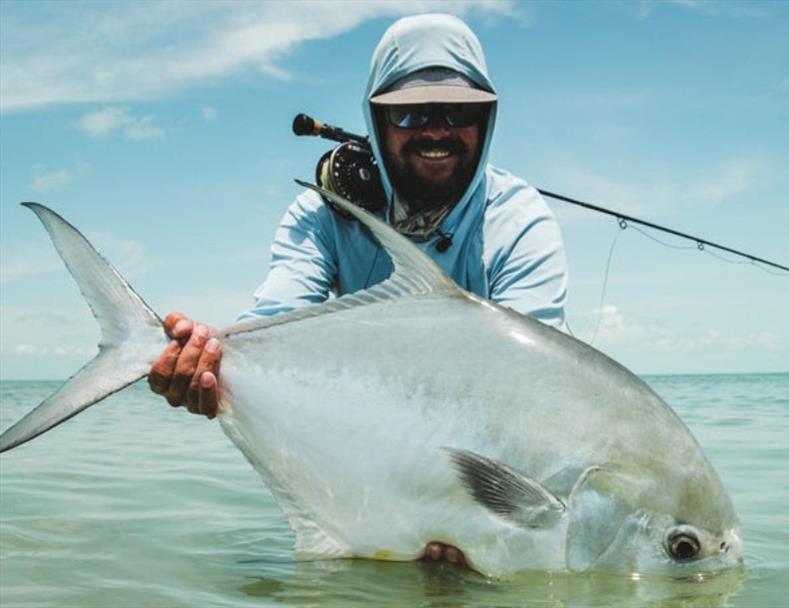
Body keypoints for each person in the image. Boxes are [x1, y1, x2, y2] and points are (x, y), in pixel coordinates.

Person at [147, 13, 567, 567]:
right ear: (377, 119)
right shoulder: (320, 215)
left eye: (458, 111)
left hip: (480, 498)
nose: (436, 130)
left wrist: (491, 534)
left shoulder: (519, 220)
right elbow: (273, 323)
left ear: (487, 119)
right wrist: (211, 364)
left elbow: (544, 397)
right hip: (365, 478)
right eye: (411, 113)